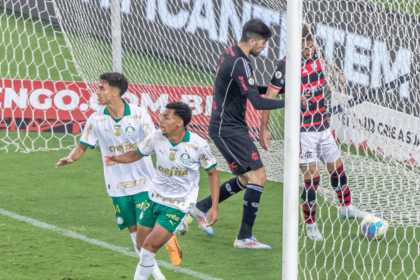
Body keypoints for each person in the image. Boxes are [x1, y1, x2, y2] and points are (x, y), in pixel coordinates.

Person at [190, 19, 309, 249]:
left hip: (230, 127)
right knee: (258, 177)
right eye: (263, 43)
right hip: (227, 129)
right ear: (252, 41)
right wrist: (291, 101)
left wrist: (279, 90)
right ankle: (244, 238)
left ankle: (201, 207)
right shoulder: (241, 63)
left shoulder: (232, 54)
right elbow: (256, 102)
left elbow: (250, 88)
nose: (264, 48)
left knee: (247, 179)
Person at [55, 73, 181, 280]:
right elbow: (82, 146)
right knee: (136, 239)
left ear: (115, 92)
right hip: (117, 187)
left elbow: (153, 142)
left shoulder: (139, 114)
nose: (97, 92)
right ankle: (159, 275)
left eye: (102, 88)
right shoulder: (96, 119)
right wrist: (70, 158)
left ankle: (168, 235)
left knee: (144, 233)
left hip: (144, 184)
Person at [259, 25, 367, 241]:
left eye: (311, 44)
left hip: (323, 126)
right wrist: (264, 127)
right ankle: (311, 226)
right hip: (302, 131)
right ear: (295, 44)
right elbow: (269, 96)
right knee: (312, 179)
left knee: (337, 168)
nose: (309, 49)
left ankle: (346, 207)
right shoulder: (285, 66)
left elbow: (326, 67)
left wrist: (338, 76)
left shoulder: (317, 54)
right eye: (305, 45)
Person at [104, 101, 220, 280]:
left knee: (149, 247)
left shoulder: (198, 145)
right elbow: (137, 153)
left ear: (180, 122)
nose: (161, 120)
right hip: (153, 199)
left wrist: (214, 206)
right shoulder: (156, 137)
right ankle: (169, 238)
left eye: (166, 117)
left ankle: (174, 228)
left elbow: (212, 173)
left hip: (177, 205)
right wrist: (118, 159)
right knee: (141, 246)